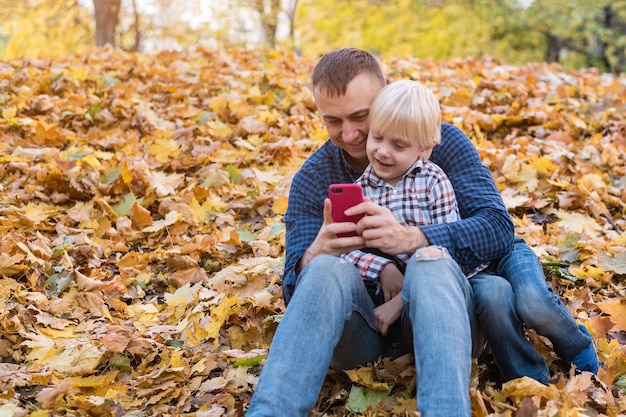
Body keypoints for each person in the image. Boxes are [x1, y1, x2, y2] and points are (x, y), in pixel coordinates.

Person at [245, 48, 597, 417]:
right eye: (333, 121)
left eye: (360, 117)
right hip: (363, 339)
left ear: (385, 98)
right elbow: (293, 292)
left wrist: (414, 239)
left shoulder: (441, 146)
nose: (348, 134)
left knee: (432, 261)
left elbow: (497, 228)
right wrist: (319, 252)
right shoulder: (314, 178)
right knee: (320, 268)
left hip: (448, 326)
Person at [341, 79, 488, 337]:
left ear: (425, 148)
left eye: (398, 146)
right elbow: (346, 251)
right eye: (377, 137)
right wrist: (382, 269)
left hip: (441, 298)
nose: (383, 152)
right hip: (387, 304)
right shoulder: (361, 190)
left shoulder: (433, 182)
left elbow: (449, 255)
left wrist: (402, 298)